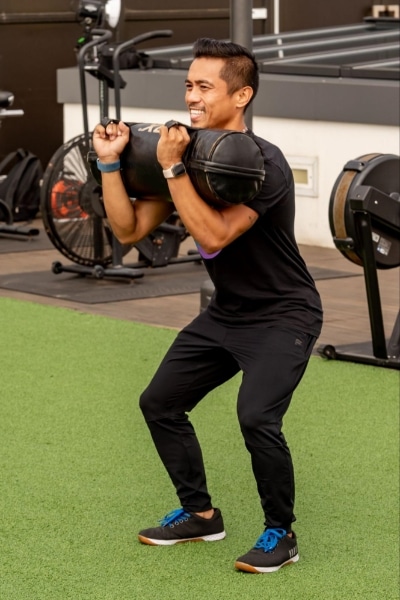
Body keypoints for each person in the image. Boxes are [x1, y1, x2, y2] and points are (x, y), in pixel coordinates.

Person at [92, 37, 323, 574]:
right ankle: (200, 513)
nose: (192, 97)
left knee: (257, 417)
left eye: (204, 86)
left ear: (241, 95)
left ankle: (279, 533)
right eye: (188, 85)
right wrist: (110, 166)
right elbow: (128, 231)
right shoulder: (180, 148)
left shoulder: (263, 163)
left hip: (284, 312)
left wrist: (174, 173)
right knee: (160, 402)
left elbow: (214, 236)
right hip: (228, 312)